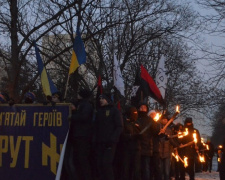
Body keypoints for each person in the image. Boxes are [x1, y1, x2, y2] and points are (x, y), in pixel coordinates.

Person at [93, 93, 123, 180]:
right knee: (99, 164)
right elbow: (96, 127)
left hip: (110, 143)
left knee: (106, 164)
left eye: (103, 98)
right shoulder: (99, 111)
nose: (100, 100)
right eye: (100, 99)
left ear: (108, 100)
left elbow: (119, 126)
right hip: (100, 142)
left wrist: (113, 139)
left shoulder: (114, 111)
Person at [68, 88, 94, 180]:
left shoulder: (86, 105)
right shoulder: (80, 104)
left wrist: (72, 115)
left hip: (83, 136)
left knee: (82, 160)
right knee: (77, 160)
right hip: (78, 135)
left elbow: (83, 117)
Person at [138, 105, 161, 180]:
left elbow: (155, 132)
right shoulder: (137, 118)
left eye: (144, 108)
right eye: (141, 107)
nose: (142, 109)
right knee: (138, 168)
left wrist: (159, 130)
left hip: (147, 147)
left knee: (147, 168)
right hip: (137, 147)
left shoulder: (150, 121)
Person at [120, 106, 141, 180]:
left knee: (136, 169)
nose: (135, 114)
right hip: (127, 149)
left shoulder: (137, 123)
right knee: (126, 169)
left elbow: (141, 134)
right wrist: (131, 136)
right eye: (133, 113)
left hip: (136, 149)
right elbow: (122, 135)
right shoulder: (125, 122)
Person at [158, 115, 179, 180]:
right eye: (163, 119)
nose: (164, 120)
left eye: (166, 119)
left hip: (167, 154)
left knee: (167, 171)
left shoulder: (169, 130)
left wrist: (176, 145)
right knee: (160, 171)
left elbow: (171, 140)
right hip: (159, 153)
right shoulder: (157, 128)